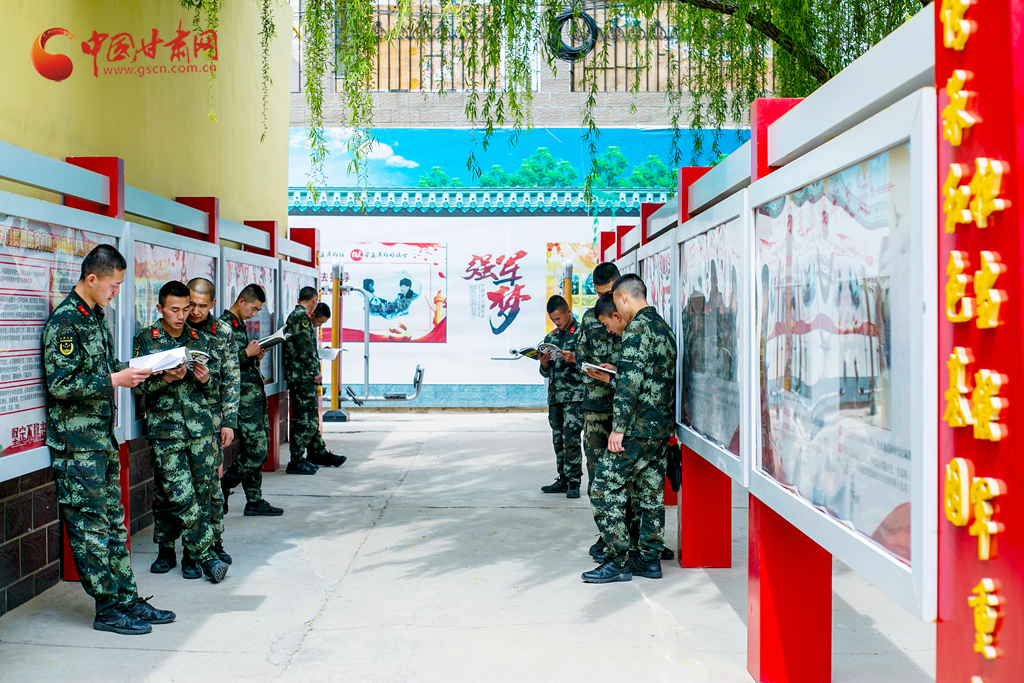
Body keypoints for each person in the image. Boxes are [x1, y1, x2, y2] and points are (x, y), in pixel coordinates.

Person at [42, 245, 175, 635]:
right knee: (91, 529)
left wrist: (140, 370)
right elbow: (61, 384)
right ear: (92, 279)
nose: (116, 292)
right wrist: (115, 379)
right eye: (113, 285)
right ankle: (107, 608)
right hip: (76, 447)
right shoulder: (65, 322)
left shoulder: (94, 316)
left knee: (114, 524)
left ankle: (126, 598)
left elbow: (100, 370)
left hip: (99, 441)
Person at [133, 281, 229, 584]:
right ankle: (175, 550)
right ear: (160, 308)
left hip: (200, 430)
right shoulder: (146, 339)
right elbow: (138, 386)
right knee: (174, 493)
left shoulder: (200, 339)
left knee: (201, 491)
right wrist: (166, 378)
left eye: (186, 309)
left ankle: (191, 555)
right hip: (166, 431)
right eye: (174, 309)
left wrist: (205, 379)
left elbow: (215, 391)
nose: (181, 316)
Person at [584, 274, 677, 584]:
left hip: (636, 428)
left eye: (617, 304)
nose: (618, 314)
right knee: (650, 495)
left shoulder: (637, 328)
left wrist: (618, 428)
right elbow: (650, 379)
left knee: (603, 487)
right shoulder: (663, 328)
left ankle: (617, 559)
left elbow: (631, 384)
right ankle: (649, 560)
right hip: (659, 429)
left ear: (623, 297)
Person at [168, 276, 240, 568]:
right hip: (175, 420)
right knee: (173, 490)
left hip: (209, 419)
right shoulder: (174, 325)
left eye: (201, 306)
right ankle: (174, 549)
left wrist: (229, 421)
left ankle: (214, 542)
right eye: (191, 305)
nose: (194, 312)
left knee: (210, 485)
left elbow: (232, 378)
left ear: (212, 304)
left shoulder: (222, 332)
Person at [571, 263, 621, 559]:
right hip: (596, 407)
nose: (605, 299)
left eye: (610, 293)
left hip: (626, 407)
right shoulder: (591, 318)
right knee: (597, 474)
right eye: (600, 294)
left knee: (630, 477)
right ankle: (607, 534)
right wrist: (589, 366)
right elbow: (580, 354)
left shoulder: (632, 316)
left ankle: (637, 539)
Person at [220, 285, 283, 516]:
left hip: (253, 397)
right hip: (242, 400)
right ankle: (225, 483)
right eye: (253, 309)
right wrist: (246, 354)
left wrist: (254, 357)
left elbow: (238, 363)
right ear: (241, 301)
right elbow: (220, 364)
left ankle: (254, 500)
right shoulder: (223, 326)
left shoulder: (239, 325)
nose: (254, 314)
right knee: (257, 452)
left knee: (257, 449)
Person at [284, 287, 345, 474]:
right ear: (314, 299)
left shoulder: (297, 316)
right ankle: (296, 460)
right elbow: (305, 348)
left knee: (308, 418)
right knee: (305, 420)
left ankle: (317, 452)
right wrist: (315, 371)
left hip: (300, 376)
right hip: (302, 377)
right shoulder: (301, 317)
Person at [538, 295, 584, 499]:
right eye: (553, 320)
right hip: (555, 397)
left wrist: (575, 359)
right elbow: (546, 373)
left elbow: (592, 365)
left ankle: (574, 481)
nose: (556, 323)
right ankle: (563, 479)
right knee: (558, 439)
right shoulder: (551, 338)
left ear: (568, 312)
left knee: (571, 438)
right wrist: (544, 364)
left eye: (558, 318)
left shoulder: (582, 334)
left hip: (574, 397)